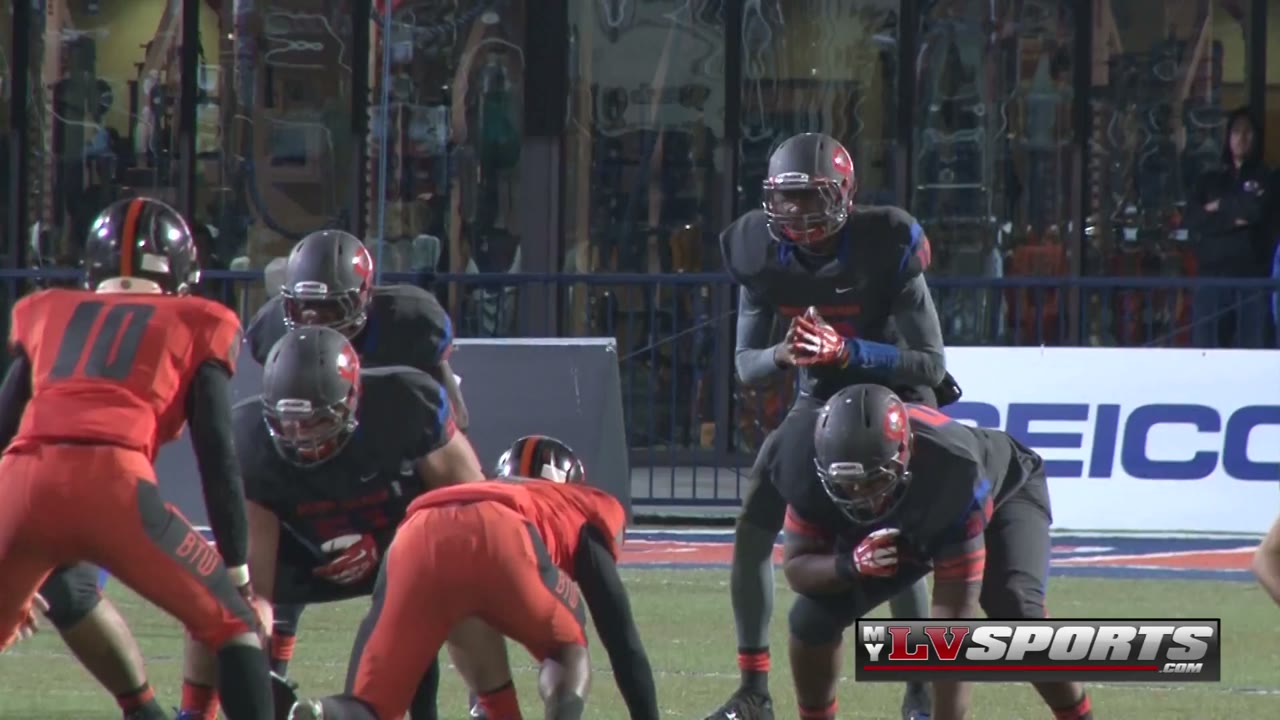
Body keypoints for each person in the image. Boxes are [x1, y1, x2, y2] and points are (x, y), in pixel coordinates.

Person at [710, 132, 957, 720]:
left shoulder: (885, 240)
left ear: (845, 194)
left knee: (897, 534)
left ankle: (920, 691)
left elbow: (931, 364)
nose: (796, 211)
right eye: (786, 197)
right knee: (754, 522)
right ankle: (753, 690)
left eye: (811, 196)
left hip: (897, 393)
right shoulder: (756, 249)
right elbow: (746, 366)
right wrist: (784, 354)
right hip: (819, 394)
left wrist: (848, 351)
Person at [0, 197, 275, 720]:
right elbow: (216, 451)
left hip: (20, 482)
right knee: (233, 623)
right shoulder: (198, 320)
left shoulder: (48, 310)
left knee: (59, 591)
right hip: (112, 482)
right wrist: (238, 573)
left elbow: (3, 426)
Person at [177, 325, 487, 719]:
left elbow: (473, 509)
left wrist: (399, 546)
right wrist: (253, 618)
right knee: (215, 591)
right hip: (307, 555)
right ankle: (193, 713)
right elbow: (257, 573)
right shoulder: (252, 442)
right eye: (288, 423)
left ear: (352, 403)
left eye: (315, 422)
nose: (300, 436)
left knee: (467, 570)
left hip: (405, 546)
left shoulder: (406, 406)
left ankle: (484, 704)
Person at [238, 228, 470, 687]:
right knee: (255, 577)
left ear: (364, 298)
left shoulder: (409, 330)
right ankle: (269, 683)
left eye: (329, 308)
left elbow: (449, 423)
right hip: (318, 470)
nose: (314, 321)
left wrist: (388, 535)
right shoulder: (271, 333)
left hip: (391, 465)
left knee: (425, 584)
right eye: (303, 307)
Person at [779, 384, 1093, 720]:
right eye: (847, 484)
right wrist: (849, 565)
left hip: (1005, 492)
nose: (860, 495)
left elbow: (952, 626)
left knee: (1014, 607)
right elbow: (796, 567)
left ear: (905, 453)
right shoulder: (803, 463)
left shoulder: (953, 472)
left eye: (873, 481)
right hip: (913, 515)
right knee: (811, 618)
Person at [287, 436, 657, 720]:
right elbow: (621, 637)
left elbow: (422, 651)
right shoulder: (579, 505)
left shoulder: (479, 485)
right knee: (568, 648)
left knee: (373, 704)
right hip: (498, 530)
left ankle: (323, 712)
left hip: (416, 531)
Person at [1185, 107, 1272, 349]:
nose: (1241, 138)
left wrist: (1218, 206)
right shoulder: (1210, 180)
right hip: (1211, 280)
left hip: (1251, 283)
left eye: (1247, 132)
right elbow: (1194, 219)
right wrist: (1232, 217)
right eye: (1235, 131)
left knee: (1251, 355)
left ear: (1256, 137)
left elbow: (1253, 212)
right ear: (1227, 137)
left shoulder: (1267, 178)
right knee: (1206, 353)